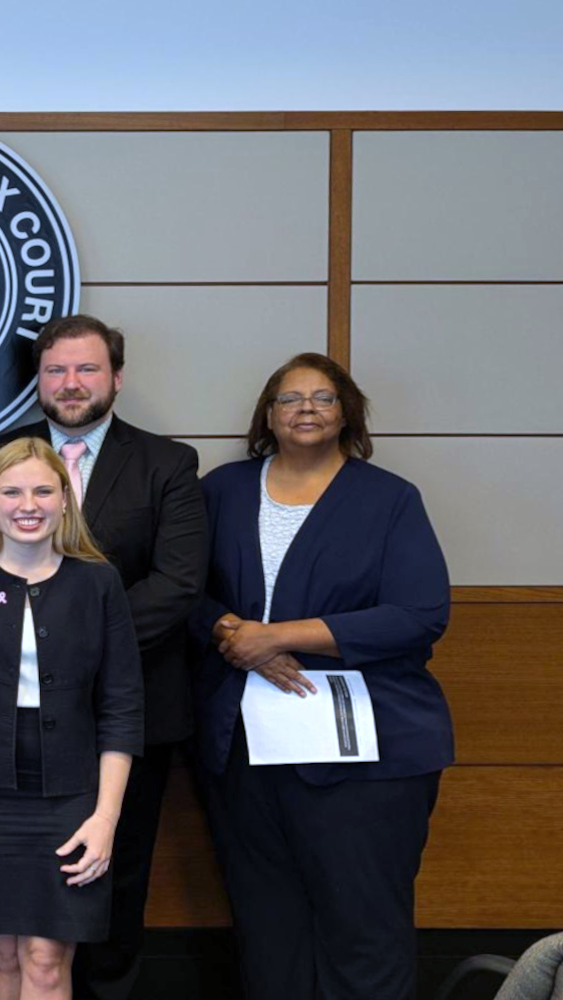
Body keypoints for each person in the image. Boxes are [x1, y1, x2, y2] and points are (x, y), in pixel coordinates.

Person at [0, 314, 204, 999]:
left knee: (112, 897)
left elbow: (179, 583)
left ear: (116, 377)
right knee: (8, 951)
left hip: (121, 729)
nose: (70, 382)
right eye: (55, 369)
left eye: (86, 368)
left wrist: (82, 636)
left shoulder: (167, 463)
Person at [192, 353, 451, 1000]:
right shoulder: (221, 490)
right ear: (268, 417)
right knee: (268, 931)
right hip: (244, 752)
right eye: (289, 399)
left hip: (366, 758)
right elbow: (181, 593)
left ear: (347, 413)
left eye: (323, 397)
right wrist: (231, 632)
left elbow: (420, 614)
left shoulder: (390, 499)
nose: (306, 408)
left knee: (363, 930)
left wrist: (280, 636)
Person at [0, 437, 144, 1000]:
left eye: (44, 490)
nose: (29, 504)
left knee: (46, 958)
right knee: (2, 951)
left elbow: (121, 706)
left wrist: (106, 818)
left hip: (72, 797)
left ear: (66, 499)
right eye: (13, 491)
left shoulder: (99, 582)